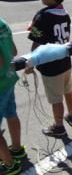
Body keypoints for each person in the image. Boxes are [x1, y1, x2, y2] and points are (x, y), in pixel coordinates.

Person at [26, 0, 72, 137]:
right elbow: (67, 39)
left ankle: (58, 126)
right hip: (65, 61)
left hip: (50, 66)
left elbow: (36, 43)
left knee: (56, 98)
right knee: (68, 90)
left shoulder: (42, 16)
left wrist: (30, 63)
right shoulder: (65, 13)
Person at [0, 19, 26, 174]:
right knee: (11, 113)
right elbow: (14, 51)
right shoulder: (2, 23)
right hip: (9, 78)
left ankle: (10, 165)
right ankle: (16, 149)